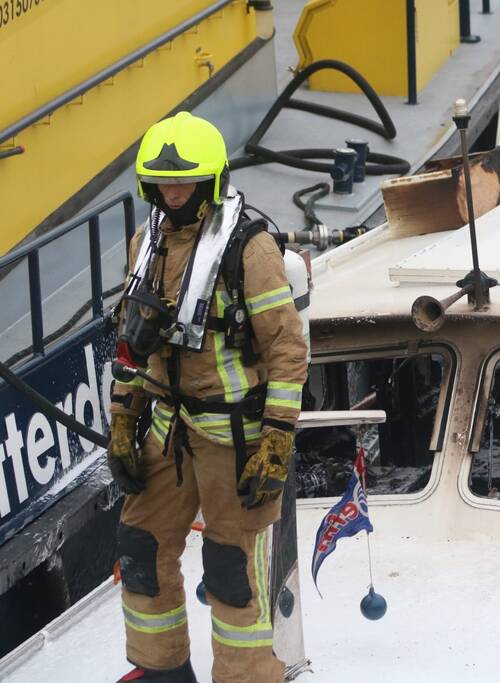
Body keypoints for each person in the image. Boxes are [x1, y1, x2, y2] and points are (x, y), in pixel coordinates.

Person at [107, 112, 308, 682]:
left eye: (185, 182)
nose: (172, 193)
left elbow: (288, 352)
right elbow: (133, 346)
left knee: (229, 570)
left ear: (211, 182)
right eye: (162, 183)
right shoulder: (146, 244)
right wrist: (124, 420)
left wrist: (276, 440)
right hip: (168, 429)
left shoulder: (252, 250)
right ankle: (162, 671)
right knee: (140, 546)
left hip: (234, 438)